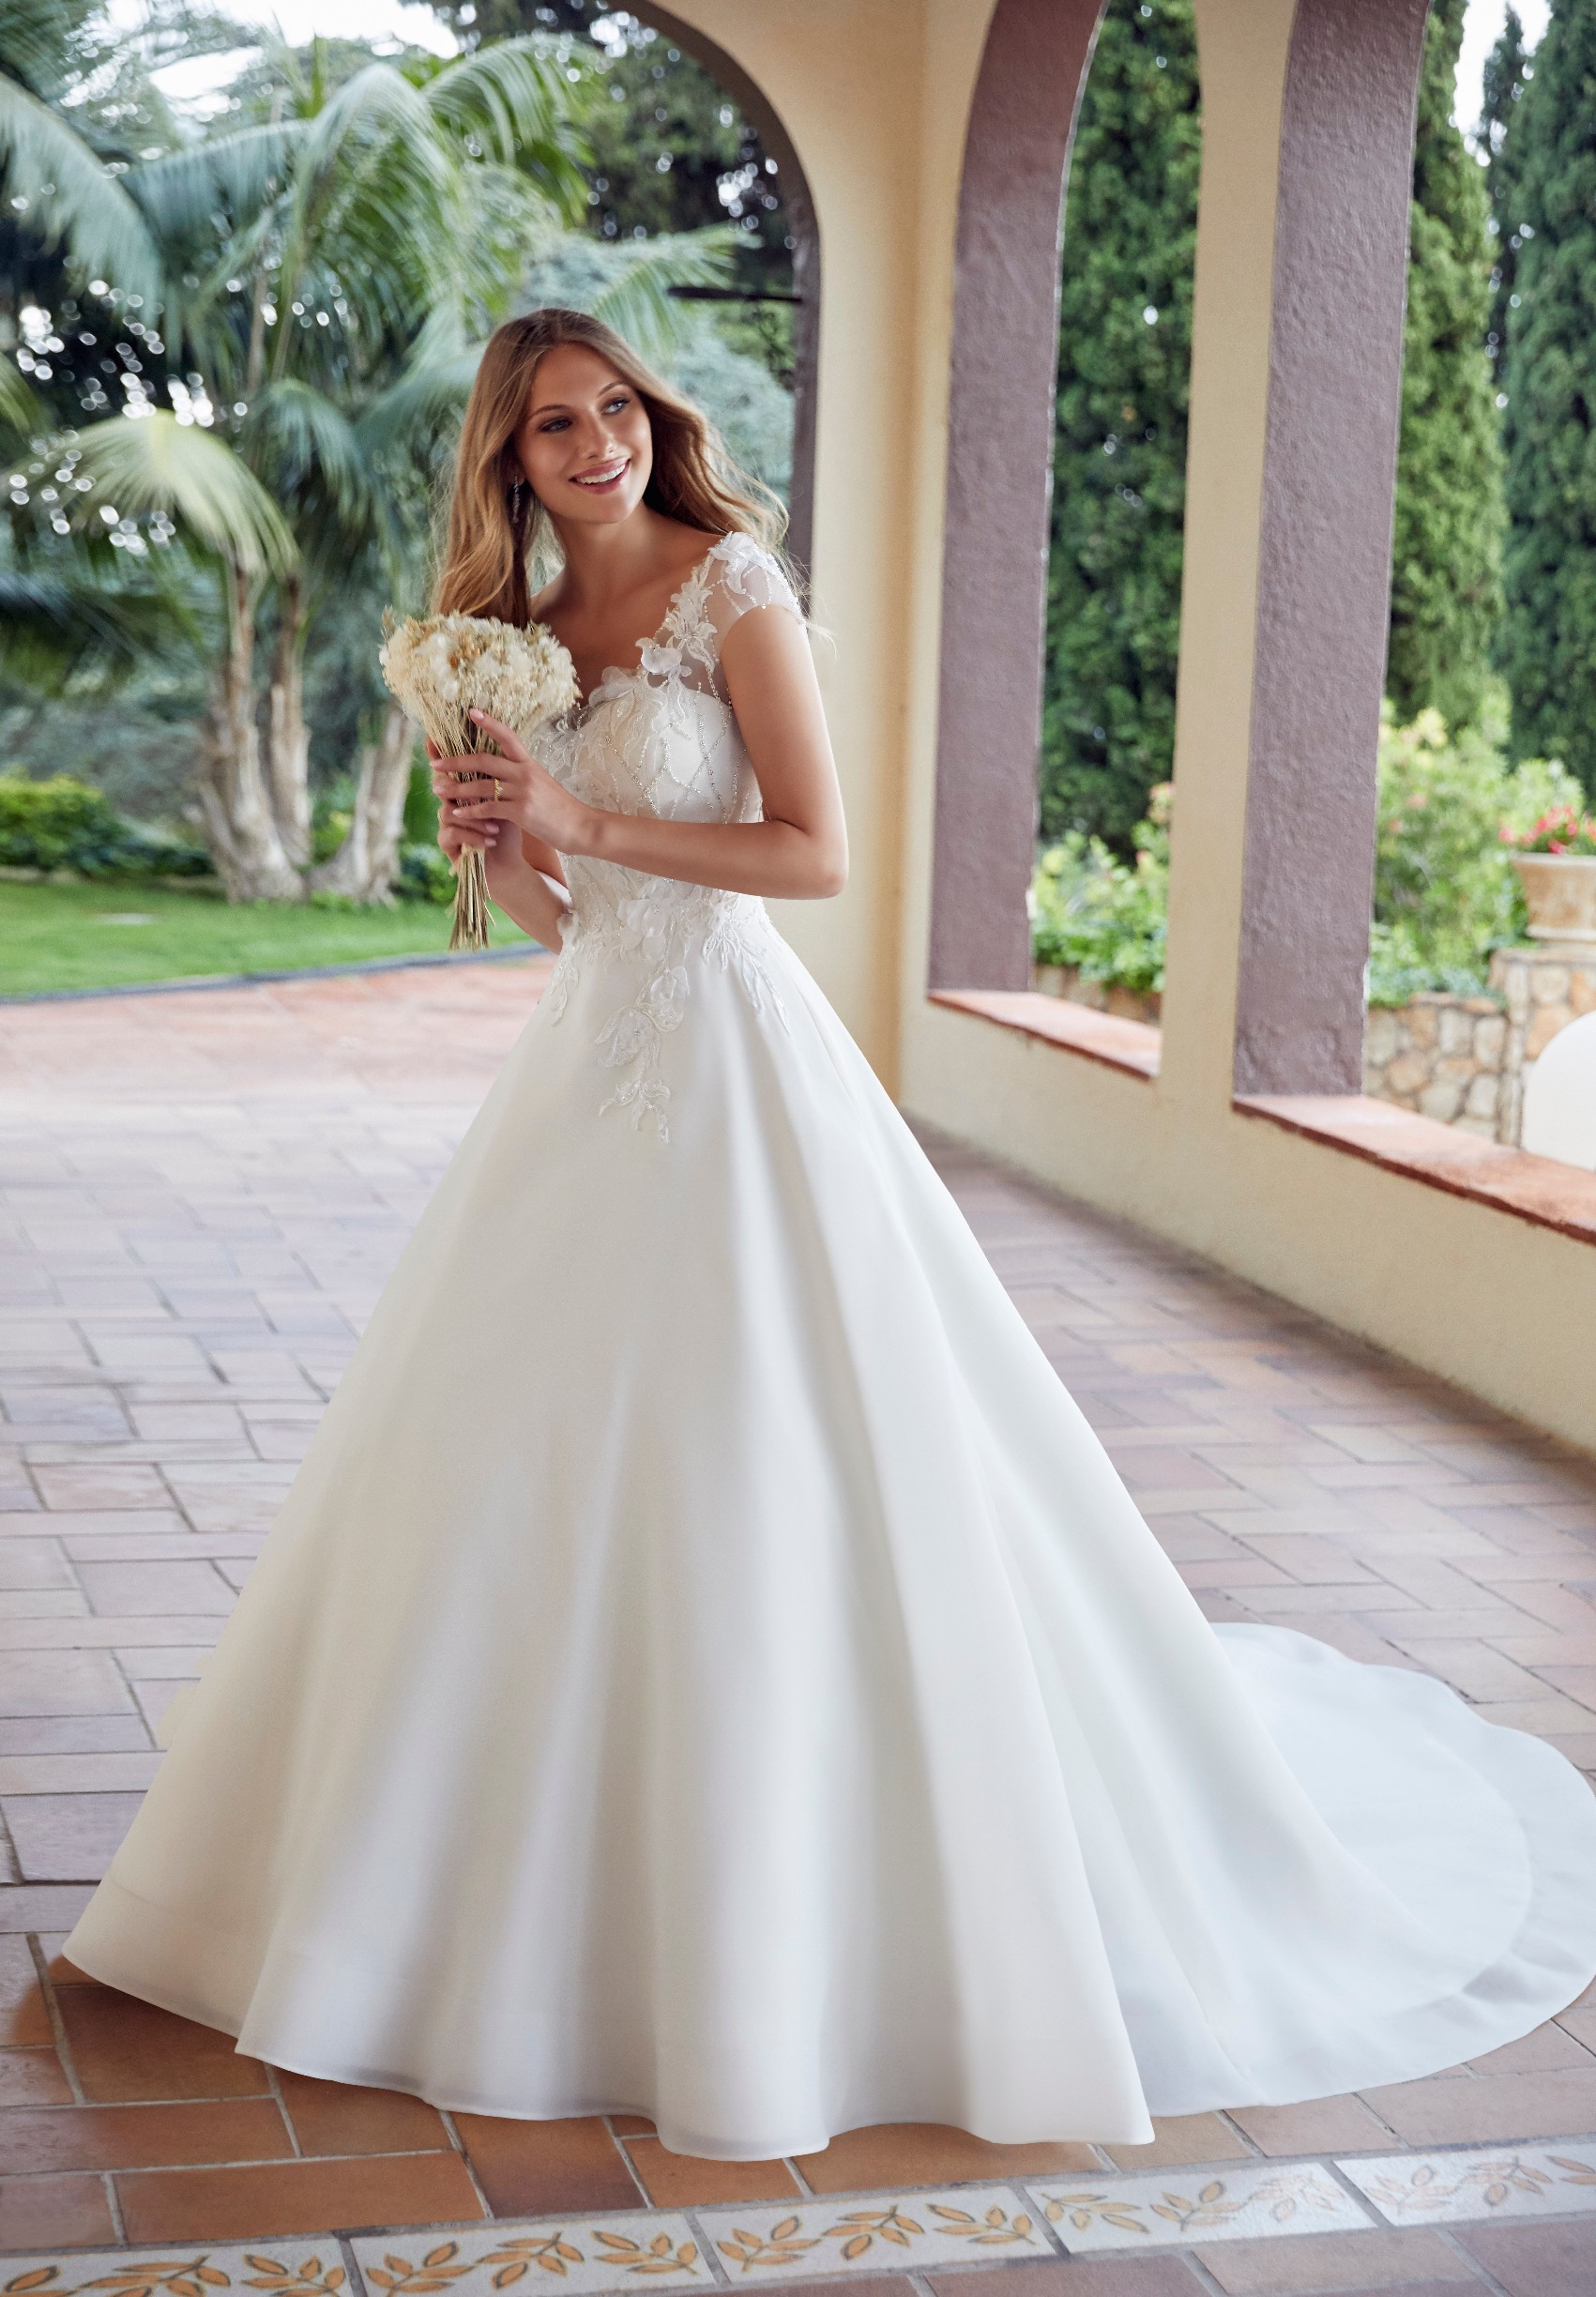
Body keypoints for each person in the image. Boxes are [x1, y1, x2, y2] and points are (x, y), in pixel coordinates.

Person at [65, 309, 1596, 2164]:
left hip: (743, 1070)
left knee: (789, 1449)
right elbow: (571, 921)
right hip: (588, 1083)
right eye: (553, 426)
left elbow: (814, 856)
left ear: (649, 419)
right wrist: (504, 835)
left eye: (614, 407)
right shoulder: (519, 649)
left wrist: (586, 809)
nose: (595, 443)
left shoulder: (734, 594)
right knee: (514, 1464)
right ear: (509, 462)